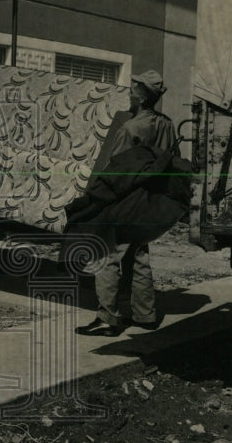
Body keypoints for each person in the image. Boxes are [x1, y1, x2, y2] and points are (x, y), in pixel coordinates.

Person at [69, 69, 188, 337]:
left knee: (107, 255)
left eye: (133, 91)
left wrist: (92, 199)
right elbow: (173, 161)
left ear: (143, 99)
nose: (128, 95)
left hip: (125, 202)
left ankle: (107, 319)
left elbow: (115, 171)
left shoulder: (130, 128)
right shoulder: (167, 124)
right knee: (138, 255)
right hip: (150, 203)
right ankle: (145, 315)